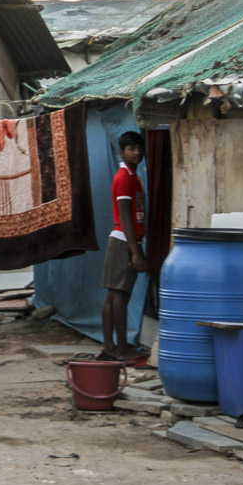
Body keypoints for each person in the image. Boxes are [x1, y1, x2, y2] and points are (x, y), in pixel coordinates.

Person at [100, 130, 147, 361]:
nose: (137, 152)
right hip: (124, 241)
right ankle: (120, 348)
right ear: (121, 152)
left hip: (124, 240)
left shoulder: (132, 176)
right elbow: (126, 216)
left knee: (114, 295)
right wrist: (136, 251)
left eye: (139, 148)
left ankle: (111, 345)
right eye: (131, 149)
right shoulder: (124, 178)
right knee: (119, 296)